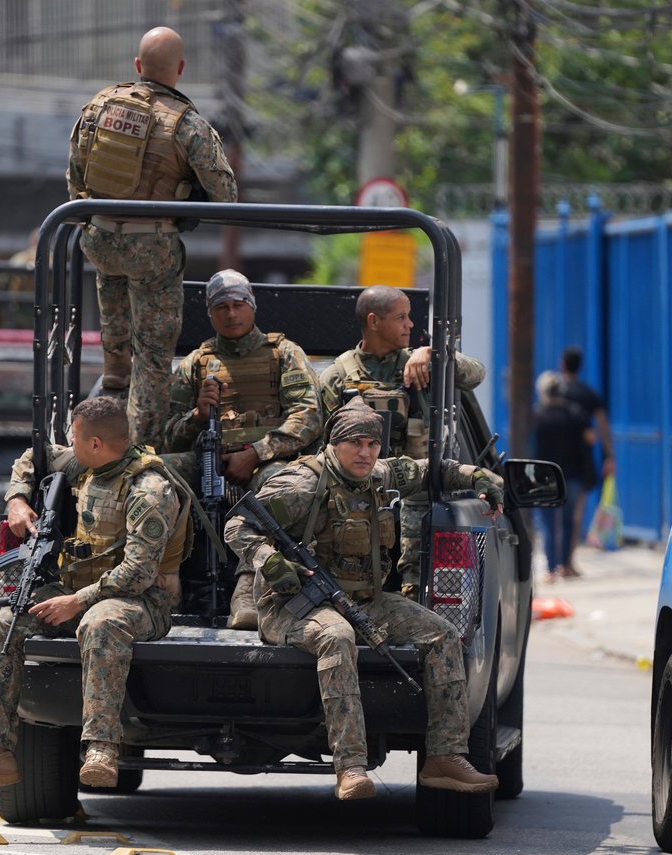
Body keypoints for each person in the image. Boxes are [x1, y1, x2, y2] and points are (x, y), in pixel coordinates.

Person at [223, 397, 503, 800]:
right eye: (355, 443)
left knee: (442, 635)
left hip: (363, 601)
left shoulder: (379, 474)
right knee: (336, 637)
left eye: (372, 445)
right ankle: (351, 766)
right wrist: (269, 561)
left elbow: (427, 471)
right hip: (296, 605)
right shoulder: (301, 485)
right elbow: (238, 524)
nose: (365, 453)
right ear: (334, 445)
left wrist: (477, 475)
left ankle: (445, 757)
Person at [0, 396, 190, 790]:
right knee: (2, 625)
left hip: (141, 601)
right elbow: (33, 456)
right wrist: (18, 501)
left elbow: (139, 573)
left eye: (74, 438)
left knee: (101, 624)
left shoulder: (149, 489)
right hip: (78, 592)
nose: (68, 445)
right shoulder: (86, 462)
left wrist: (76, 601)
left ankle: (102, 749)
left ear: (96, 444)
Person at [67, 25, 238, 448]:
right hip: (153, 248)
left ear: (138, 66)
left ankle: (112, 375)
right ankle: (141, 448)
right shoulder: (187, 124)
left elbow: (75, 176)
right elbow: (226, 193)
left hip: (100, 238)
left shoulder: (99, 106)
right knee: (154, 357)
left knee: (114, 302)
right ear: (180, 70)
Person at [163, 269, 321, 629]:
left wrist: (258, 452)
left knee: (277, 484)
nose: (231, 314)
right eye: (221, 307)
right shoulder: (195, 364)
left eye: (238, 305)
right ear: (210, 313)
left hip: (269, 461)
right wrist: (197, 415)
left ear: (252, 308)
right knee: (156, 473)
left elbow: (308, 417)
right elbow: (168, 434)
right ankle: (164, 580)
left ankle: (249, 591)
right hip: (208, 457)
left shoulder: (283, 354)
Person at [317, 286, 487, 599]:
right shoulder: (337, 376)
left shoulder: (421, 366)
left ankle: (413, 593)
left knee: (423, 508)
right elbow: (320, 446)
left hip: (413, 484)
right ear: (374, 321)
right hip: (356, 486)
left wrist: (434, 352)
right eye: (402, 318)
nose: (410, 325)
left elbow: (476, 374)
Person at [557, 346, 615, 575]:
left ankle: (557, 561)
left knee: (557, 512)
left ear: (563, 364)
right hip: (581, 460)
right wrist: (609, 455)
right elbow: (603, 427)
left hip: (556, 459)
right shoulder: (589, 394)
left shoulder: (556, 391)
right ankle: (568, 561)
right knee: (576, 512)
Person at [533, 371, 593, 582]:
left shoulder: (538, 417)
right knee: (568, 522)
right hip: (572, 476)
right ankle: (566, 565)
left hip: (546, 478)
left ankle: (551, 570)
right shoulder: (577, 415)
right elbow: (589, 441)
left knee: (549, 525)